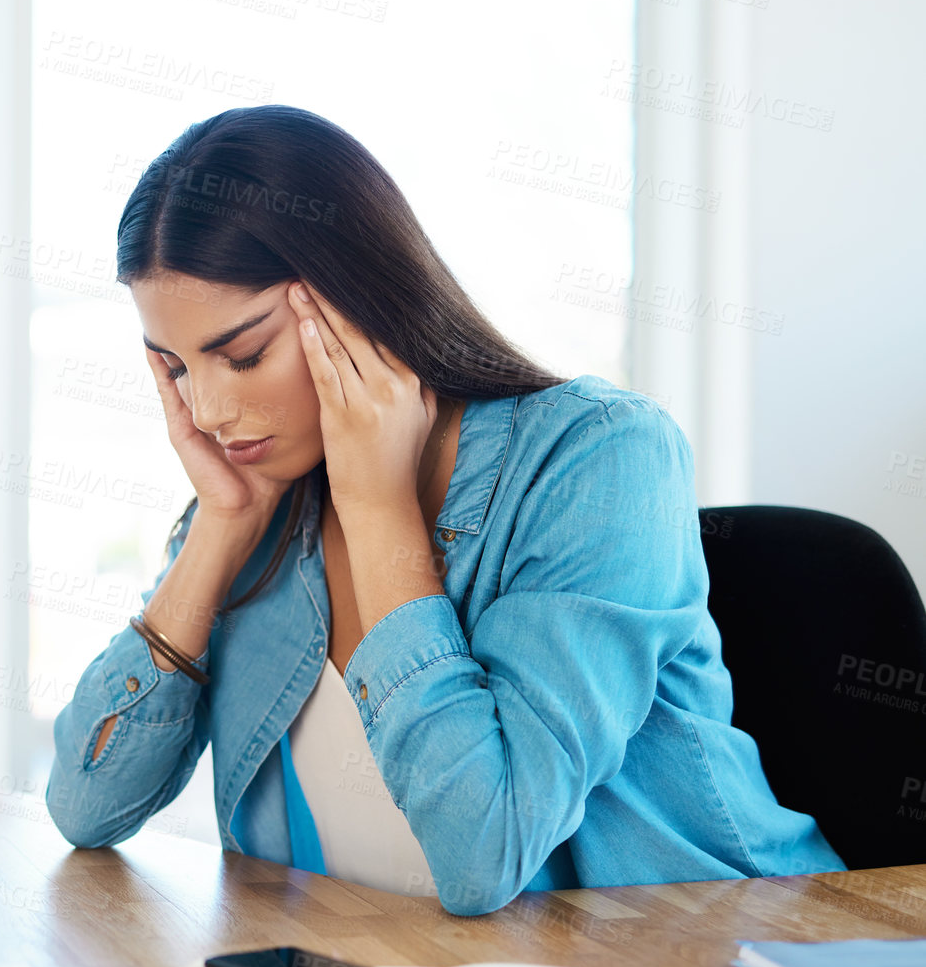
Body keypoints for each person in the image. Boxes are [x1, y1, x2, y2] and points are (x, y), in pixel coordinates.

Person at [43, 105, 844, 916]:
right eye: (175, 367)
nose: (209, 410)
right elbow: (86, 805)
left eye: (244, 354)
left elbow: (482, 853)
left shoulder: (602, 456)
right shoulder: (255, 499)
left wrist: (378, 507)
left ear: (354, 304)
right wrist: (218, 527)